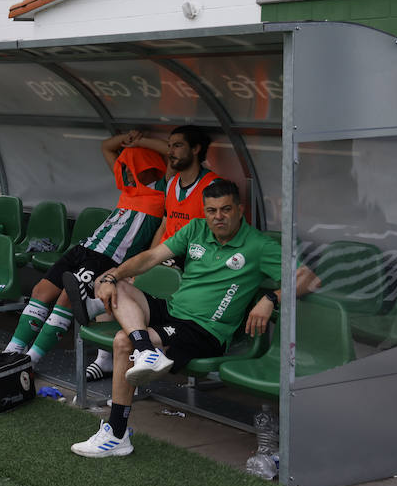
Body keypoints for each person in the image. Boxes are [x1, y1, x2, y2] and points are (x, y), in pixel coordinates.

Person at [71, 178, 307, 457]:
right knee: (121, 286)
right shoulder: (196, 229)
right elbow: (150, 257)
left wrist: (270, 298)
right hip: (173, 310)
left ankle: (117, 431)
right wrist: (111, 276)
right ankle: (144, 350)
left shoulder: (258, 245)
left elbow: (305, 277)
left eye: (225, 209)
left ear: (239, 210)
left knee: (124, 341)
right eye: (211, 211)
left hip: (205, 328)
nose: (218, 217)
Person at [0, 133, 167, 367]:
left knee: (67, 298)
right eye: (126, 166)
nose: (127, 170)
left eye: (134, 165)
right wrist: (128, 138)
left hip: (108, 258)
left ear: (149, 166)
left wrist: (141, 143)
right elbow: (106, 147)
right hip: (84, 248)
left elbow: (170, 150)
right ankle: (12, 352)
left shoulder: (163, 188)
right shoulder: (128, 186)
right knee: (41, 291)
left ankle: (30, 361)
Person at [72, 126, 219, 381]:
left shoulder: (212, 185)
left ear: (195, 149)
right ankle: (105, 358)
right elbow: (165, 224)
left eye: (177, 146)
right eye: (169, 145)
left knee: (117, 285)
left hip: (192, 261)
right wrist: (150, 258)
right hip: (167, 255)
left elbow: (218, 236)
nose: (170, 152)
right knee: (107, 278)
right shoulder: (172, 183)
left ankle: (101, 317)